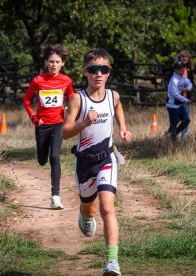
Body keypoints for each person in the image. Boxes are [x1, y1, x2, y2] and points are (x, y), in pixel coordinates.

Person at [61, 48, 132, 275]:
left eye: (103, 69)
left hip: (106, 158)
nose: (98, 74)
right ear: (86, 72)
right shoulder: (77, 99)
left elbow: (118, 106)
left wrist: (122, 128)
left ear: (109, 72)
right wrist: (84, 123)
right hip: (84, 162)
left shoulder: (113, 96)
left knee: (107, 207)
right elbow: (64, 132)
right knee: (90, 209)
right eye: (93, 70)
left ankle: (112, 262)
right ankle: (84, 214)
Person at [23, 44, 75, 209]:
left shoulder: (66, 81)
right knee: (42, 160)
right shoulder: (38, 80)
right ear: (46, 62)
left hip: (58, 125)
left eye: (57, 62)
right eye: (51, 61)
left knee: (55, 157)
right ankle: (41, 156)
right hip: (42, 125)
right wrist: (33, 117)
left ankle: (55, 196)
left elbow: (73, 97)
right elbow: (26, 99)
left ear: (62, 64)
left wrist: (70, 107)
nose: (54, 64)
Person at [165, 60, 192, 142]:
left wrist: (188, 88)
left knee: (186, 120)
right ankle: (173, 143)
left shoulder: (183, 78)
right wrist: (185, 100)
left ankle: (174, 134)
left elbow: (189, 83)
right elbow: (175, 94)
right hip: (172, 106)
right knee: (173, 124)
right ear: (176, 70)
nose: (183, 72)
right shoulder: (174, 80)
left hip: (179, 105)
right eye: (181, 70)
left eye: (184, 70)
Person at [176, 50, 195, 143]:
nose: (184, 59)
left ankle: (184, 139)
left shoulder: (189, 71)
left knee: (186, 119)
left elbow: (192, 84)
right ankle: (172, 134)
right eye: (182, 57)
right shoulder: (175, 69)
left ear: (189, 59)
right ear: (179, 58)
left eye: (186, 57)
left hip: (186, 98)